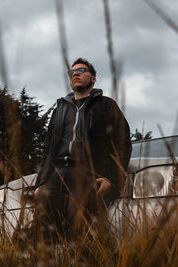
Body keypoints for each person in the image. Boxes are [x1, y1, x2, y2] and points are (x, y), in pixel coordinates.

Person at [34, 58, 131, 241]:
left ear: (93, 78)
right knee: (42, 222)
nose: (75, 74)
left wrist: (112, 176)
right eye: (72, 72)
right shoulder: (60, 110)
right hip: (57, 173)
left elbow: (123, 141)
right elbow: (48, 150)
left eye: (81, 70)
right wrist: (41, 183)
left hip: (88, 170)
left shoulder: (106, 105)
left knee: (80, 221)